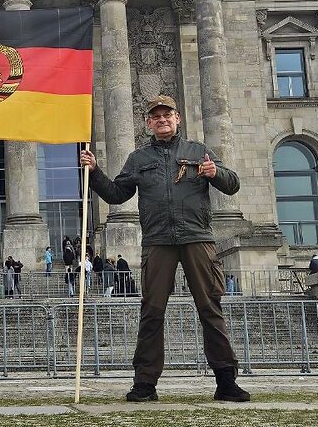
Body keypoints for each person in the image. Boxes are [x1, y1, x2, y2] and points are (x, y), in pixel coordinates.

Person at [79, 94, 250, 403]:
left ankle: (226, 380)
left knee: (210, 309)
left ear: (177, 118)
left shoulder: (198, 151)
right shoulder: (138, 158)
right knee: (152, 313)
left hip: (197, 239)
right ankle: (145, 384)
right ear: (148, 123)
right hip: (158, 242)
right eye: (155, 116)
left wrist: (216, 174)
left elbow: (233, 183)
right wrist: (94, 173)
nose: (162, 119)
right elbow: (117, 194)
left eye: (166, 114)